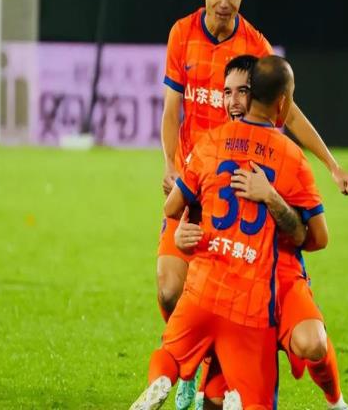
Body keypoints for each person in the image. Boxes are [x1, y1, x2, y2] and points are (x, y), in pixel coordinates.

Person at [157, 0, 348, 406]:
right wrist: (172, 165)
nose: (224, 1)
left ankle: (216, 378)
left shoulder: (255, 46)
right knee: (170, 290)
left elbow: (290, 111)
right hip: (196, 184)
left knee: (237, 297)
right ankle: (191, 365)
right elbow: (172, 111)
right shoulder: (181, 35)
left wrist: (331, 163)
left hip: (243, 190)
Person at [131, 56, 324, 410]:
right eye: (227, 92)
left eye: (241, 92)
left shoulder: (209, 144)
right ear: (282, 102)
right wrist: (275, 200)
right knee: (255, 392)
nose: (233, 101)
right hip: (251, 298)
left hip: (206, 289)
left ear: (254, 96)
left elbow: (171, 206)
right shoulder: (291, 158)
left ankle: (169, 379)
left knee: (172, 356)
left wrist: (184, 223)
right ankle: (329, 400)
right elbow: (315, 238)